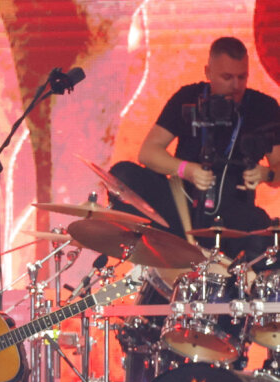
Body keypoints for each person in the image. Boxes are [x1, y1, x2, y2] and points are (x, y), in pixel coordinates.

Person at [111, 36, 280, 265]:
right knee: (123, 174)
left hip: (233, 211)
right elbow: (148, 152)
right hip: (182, 204)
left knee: (266, 237)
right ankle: (159, 252)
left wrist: (266, 174)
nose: (236, 85)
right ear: (208, 72)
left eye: (242, 77)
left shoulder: (264, 107)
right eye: (227, 77)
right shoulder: (188, 97)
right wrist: (186, 170)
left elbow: (278, 170)